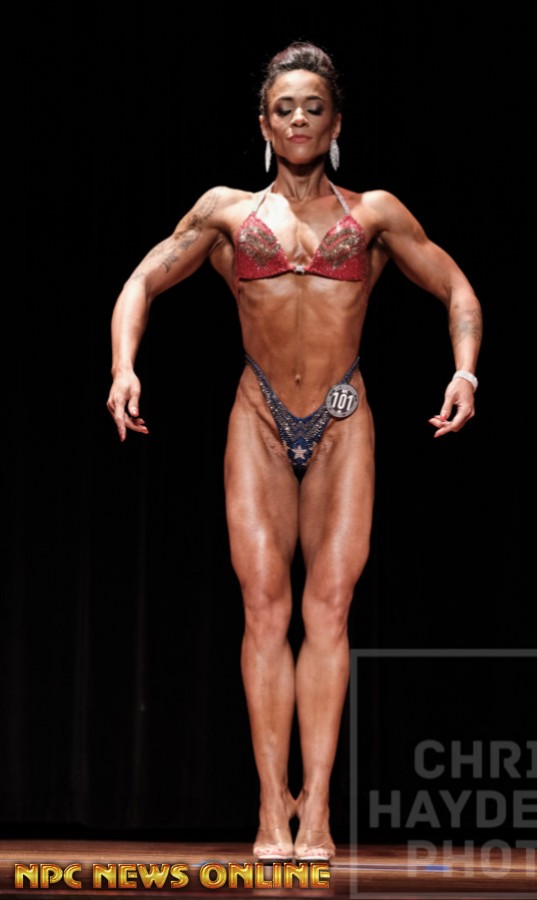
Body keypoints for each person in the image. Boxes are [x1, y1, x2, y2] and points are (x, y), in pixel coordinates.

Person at [106, 41, 482, 863]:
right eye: (285, 108)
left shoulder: (373, 215)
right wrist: (123, 367)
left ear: (336, 123)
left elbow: (455, 286)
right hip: (261, 417)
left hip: (342, 416)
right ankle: (272, 806)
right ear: (264, 125)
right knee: (265, 609)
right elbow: (141, 281)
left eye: (314, 107)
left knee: (329, 610)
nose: (299, 119)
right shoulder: (226, 214)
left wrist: (465, 372)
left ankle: (318, 810)